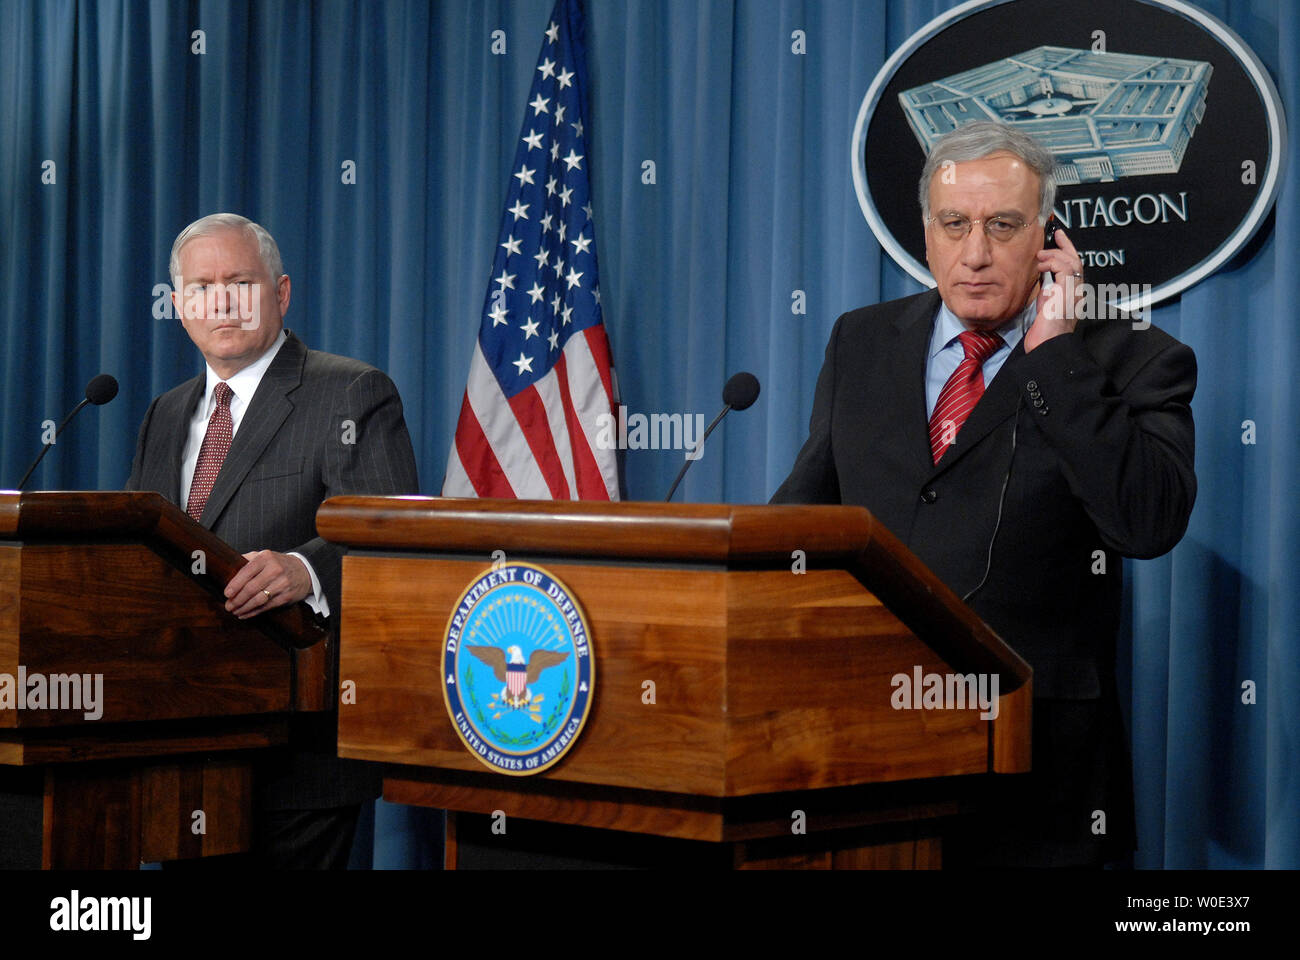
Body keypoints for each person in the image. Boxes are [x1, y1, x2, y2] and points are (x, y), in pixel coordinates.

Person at [772, 121, 1196, 867]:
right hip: (865, 750)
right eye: (954, 224)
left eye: (1003, 225)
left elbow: (1147, 523)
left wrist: (1059, 358)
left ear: (1048, 237)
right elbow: (805, 517)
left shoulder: (1134, 360)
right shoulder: (860, 342)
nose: (975, 253)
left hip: (1038, 773)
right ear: (926, 236)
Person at [127, 212, 420, 868]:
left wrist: (302, 569)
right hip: (178, 742)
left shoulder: (351, 392)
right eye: (202, 287)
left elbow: (391, 538)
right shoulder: (165, 413)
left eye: (240, 282)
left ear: (281, 294)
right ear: (180, 307)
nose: (221, 301)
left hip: (296, 749)